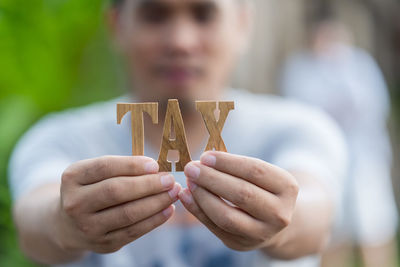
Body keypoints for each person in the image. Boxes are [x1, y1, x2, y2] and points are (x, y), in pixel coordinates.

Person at [9, 1, 347, 266]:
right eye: (155, 15)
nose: (180, 42)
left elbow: (317, 214)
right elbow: (33, 219)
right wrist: (60, 222)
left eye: (204, 14)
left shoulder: (298, 128)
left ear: (243, 24)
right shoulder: (60, 138)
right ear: (117, 26)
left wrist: (285, 223)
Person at [281, 19, 398, 267]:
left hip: (365, 160)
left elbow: (375, 107)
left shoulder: (359, 65)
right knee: (333, 232)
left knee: (374, 228)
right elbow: (299, 112)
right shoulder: (300, 68)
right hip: (325, 163)